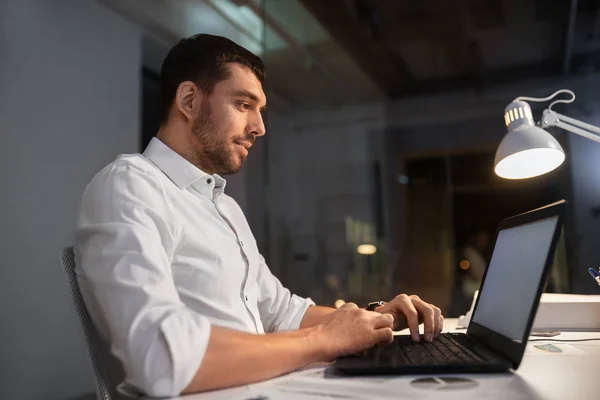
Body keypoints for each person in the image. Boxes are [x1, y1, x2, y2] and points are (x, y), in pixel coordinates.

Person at [75, 34, 444, 398]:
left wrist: (376, 318)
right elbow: (158, 356)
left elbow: (280, 311)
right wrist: (323, 339)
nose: (259, 127)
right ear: (188, 100)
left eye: (260, 109)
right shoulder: (129, 187)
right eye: (243, 104)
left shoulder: (224, 206)